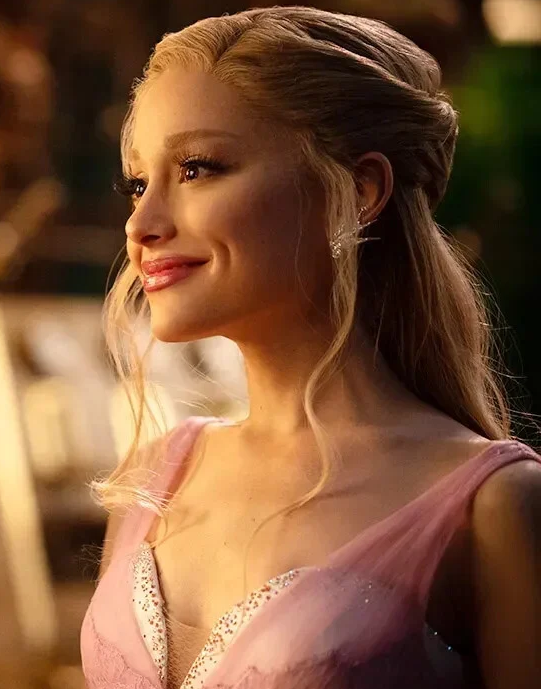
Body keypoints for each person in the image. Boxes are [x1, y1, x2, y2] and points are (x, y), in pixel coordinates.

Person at [82, 7, 540, 689]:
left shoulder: (493, 506)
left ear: (358, 191)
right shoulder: (150, 480)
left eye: (198, 168)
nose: (141, 225)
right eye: (139, 184)